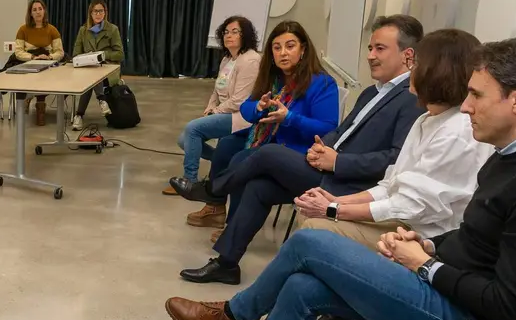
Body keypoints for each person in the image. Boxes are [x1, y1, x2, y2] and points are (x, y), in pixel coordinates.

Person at [163, 30, 516, 320]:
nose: (466, 107)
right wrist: (428, 245)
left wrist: (426, 265)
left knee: (309, 241)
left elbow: (505, 307)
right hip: (450, 287)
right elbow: (473, 238)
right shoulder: (513, 155)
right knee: (303, 287)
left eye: (478, 96)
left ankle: (233, 318)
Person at [172, 16, 423, 285]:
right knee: (258, 185)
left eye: (379, 49)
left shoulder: (411, 98)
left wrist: (337, 162)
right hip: (320, 166)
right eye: (370, 48)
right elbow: (338, 132)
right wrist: (322, 148)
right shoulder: (372, 92)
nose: (370, 56)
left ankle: (213, 192)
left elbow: (394, 161)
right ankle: (226, 264)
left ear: (407, 56)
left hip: (348, 184)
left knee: (265, 154)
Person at [297, 29, 494, 246]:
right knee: (309, 225)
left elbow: (410, 205)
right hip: (402, 220)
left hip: (422, 236)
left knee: (313, 228)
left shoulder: (457, 131)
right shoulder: (427, 119)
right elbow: (392, 184)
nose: (411, 71)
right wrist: (336, 201)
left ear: (437, 72)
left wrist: (334, 209)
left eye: (415, 64)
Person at [172, 20, 338, 243]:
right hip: (269, 138)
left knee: (242, 159)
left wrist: (290, 118)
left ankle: (222, 206)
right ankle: (216, 207)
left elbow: (328, 129)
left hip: (298, 151)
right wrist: (258, 107)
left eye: (290, 46)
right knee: (227, 145)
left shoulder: (322, 83)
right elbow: (247, 109)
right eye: (277, 48)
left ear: (303, 50)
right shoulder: (273, 77)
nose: (283, 53)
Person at [164, 16, 261, 195]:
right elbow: (217, 90)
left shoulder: (251, 60)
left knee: (192, 129)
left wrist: (215, 111)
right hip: (224, 111)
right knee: (183, 140)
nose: (228, 36)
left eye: (234, 32)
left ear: (245, 35)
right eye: (225, 32)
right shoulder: (228, 59)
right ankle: (221, 161)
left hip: (241, 116)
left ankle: (190, 181)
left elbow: (239, 101)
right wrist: (210, 107)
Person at [71, 0, 124, 131]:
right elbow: (76, 54)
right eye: (95, 11)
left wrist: (102, 55)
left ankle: (79, 115)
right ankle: (102, 100)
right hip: (87, 69)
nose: (98, 14)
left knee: (93, 77)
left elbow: (120, 54)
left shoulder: (112, 29)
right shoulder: (83, 31)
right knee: (91, 75)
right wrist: (88, 58)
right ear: (90, 13)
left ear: (105, 13)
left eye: (101, 11)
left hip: (107, 69)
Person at [12, 0, 64, 126]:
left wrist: (50, 57)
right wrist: (32, 58)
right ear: (30, 13)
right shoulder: (22, 30)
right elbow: (18, 52)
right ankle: (29, 98)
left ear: (44, 11)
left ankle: (40, 107)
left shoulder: (52, 30)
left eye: (40, 9)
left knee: (46, 75)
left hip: (47, 60)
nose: (38, 12)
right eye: (34, 10)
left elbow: (60, 52)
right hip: (28, 60)